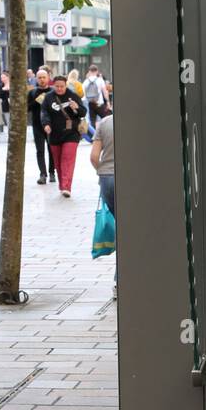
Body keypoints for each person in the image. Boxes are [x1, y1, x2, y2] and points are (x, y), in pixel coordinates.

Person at [41, 74, 86, 197]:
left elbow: (83, 112)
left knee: (67, 159)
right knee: (58, 161)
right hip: (54, 133)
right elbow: (44, 112)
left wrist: (76, 108)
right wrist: (46, 124)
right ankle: (62, 185)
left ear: (66, 85)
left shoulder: (73, 96)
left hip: (71, 133)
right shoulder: (48, 97)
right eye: (57, 86)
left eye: (62, 86)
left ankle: (67, 187)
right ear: (53, 85)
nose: (60, 89)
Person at [90, 108, 116, 297]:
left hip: (107, 177)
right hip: (131, 176)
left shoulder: (105, 122)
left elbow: (94, 156)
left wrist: (103, 170)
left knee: (119, 229)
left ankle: (118, 282)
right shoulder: (140, 120)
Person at [28, 68, 55, 184]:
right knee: (40, 150)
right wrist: (37, 101)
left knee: (51, 149)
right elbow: (27, 108)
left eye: (44, 77)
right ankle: (42, 174)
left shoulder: (53, 92)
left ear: (48, 78)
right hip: (37, 125)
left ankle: (52, 173)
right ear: (36, 79)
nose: (42, 80)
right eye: (40, 78)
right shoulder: (32, 92)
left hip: (50, 125)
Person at [83, 65, 109, 129]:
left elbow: (83, 94)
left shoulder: (85, 81)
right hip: (99, 103)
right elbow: (104, 91)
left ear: (89, 71)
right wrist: (108, 101)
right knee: (106, 119)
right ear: (97, 71)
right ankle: (106, 133)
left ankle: (94, 136)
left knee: (92, 121)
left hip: (90, 103)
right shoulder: (100, 80)